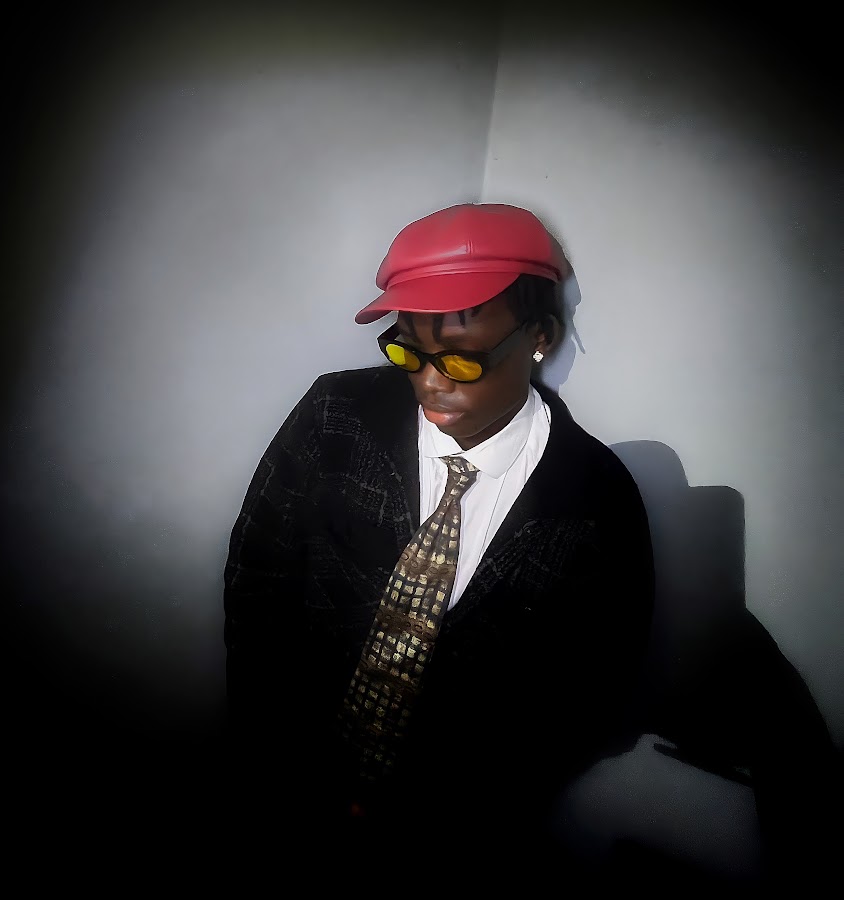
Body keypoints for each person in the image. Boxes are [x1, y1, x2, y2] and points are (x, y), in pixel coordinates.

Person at [223, 202, 655, 846]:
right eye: (407, 350)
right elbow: (258, 574)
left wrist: (480, 805)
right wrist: (269, 742)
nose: (428, 383)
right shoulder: (335, 415)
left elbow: (595, 689)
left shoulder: (597, 500)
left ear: (540, 336)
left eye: (461, 360)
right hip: (287, 779)